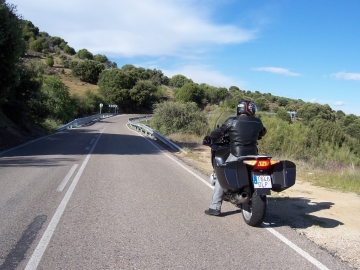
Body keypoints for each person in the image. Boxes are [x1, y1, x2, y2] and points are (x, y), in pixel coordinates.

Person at [205, 100, 267, 216]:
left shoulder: (232, 121)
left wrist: (212, 135)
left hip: (236, 155)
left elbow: (219, 132)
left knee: (221, 176)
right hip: (254, 155)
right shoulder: (257, 122)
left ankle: (214, 207)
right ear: (249, 109)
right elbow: (262, 133)